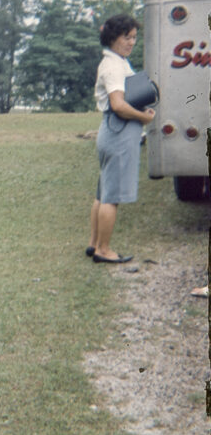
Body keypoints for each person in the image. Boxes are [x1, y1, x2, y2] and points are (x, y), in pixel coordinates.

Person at [87, 14, 156, 263]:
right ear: (113, 38)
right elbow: (118, 105)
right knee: (112, 196)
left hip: (110, 130)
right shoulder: (115, 66)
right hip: (120, 130)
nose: (131, 42)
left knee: (103, 193)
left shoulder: (115, 61)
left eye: (134, 38)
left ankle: (94, 244)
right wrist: (144, 118)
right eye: (127, 37)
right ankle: (104, 251)